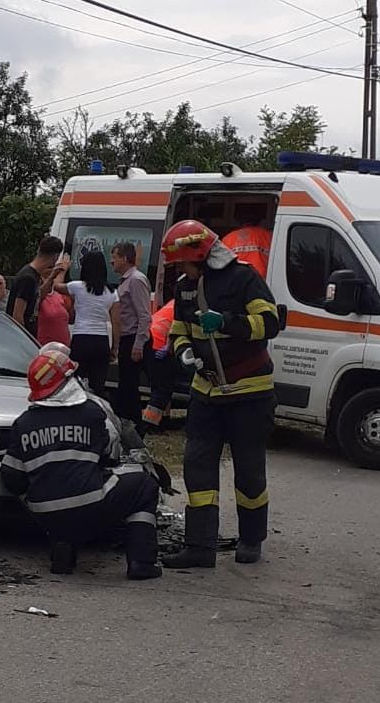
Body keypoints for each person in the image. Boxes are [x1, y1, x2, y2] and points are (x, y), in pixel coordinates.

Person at [159, 219, 282, 569]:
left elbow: (269, 323)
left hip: (250, 393)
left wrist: (226, 321)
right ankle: (200, 547)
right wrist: (183, 351)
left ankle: (251, 539)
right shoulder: (185, 287)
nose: (180, 270)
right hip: (206, 392)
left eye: (182, 263)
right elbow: (178, 329)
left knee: (249, 470)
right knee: (198, 469)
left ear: (199, 255)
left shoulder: (244, 279)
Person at [1, 348, 162, 581]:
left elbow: (11, 477)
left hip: (44, 513)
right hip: (89, 504)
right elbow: (110, 458)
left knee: (64, 498)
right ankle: (142, 562)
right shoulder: (91, 413)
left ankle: (63, 552)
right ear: (68, 382)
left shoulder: (24, 422)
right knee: (144, 485)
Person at [54, 250, 119, 403]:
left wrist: (63, 269)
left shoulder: (77, 287)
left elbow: (56, 286)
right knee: (98, 385)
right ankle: (97, 411)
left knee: (76, 382)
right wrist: (115, 348)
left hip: (81, 339)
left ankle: (77, 411)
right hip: (101, 341)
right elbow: (117, 323)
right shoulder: (112, 292)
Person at [111, 241, 153, 424]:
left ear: (125, 258)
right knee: (125, 384)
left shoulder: (136, 280)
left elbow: (144, 315)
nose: (111, 262)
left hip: (133, 338)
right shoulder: (127, 280)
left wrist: (138, 344)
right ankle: (125, 421)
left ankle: (134, 424)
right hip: (127, 338)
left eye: (114, 257)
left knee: (130, 386)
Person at [11, 236, 65, 338]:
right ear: (55, 257)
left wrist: (51, 277)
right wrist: (26, 340)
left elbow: (38, 297)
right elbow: (17, 315)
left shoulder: (33, 275)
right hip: (23, 339)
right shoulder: (28, 278)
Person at [141, 298, 178, 430]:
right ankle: (149, 423)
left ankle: (163, 419)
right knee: (163, 389)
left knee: (157, 386)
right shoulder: (185, 304)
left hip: (149, 341)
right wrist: (168, 347)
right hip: (159, 345)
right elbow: (175, 328)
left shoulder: (173, 303)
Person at [221, 204, 273, 277]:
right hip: (262, 280)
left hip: (237, 280)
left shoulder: (228, 238)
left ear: (239, 221)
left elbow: (221, 263)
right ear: (259, 221)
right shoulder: (268, 236)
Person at [36, 258, 73, 347]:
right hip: (46, 348)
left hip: (64, 348)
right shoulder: (38, 297)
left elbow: (71, 319)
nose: (51, 271)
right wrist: (52, 276)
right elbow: (41, 295)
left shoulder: (60, 296)